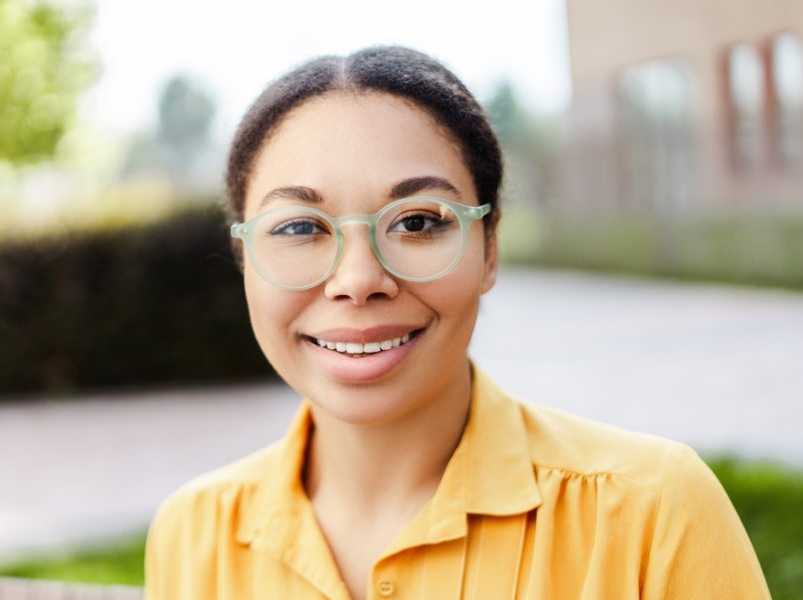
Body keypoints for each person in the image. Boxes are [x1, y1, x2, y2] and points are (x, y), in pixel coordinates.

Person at [144, 46, 770, 599]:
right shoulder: (192, 536)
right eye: (301, 228)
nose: (359, 280)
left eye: (418, 221)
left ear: (490, 247)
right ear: (243, 259)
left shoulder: (651, 512)